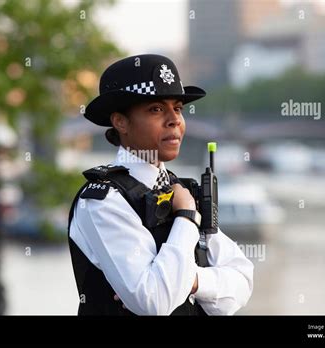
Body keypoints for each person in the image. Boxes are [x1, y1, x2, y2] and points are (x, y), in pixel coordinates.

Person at [68, 54, 253, 315]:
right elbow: (153, 302)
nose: (174, 119)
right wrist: (186, 217)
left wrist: (192, 281)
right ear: (120, 121)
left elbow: (242, 281)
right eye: (156, 109)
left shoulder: (182, 189)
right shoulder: (102, 200)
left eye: (177, 108)